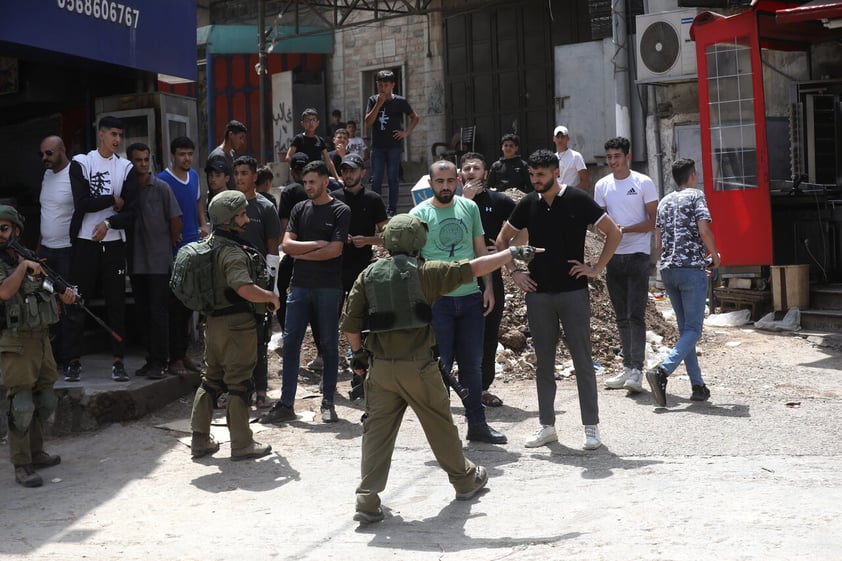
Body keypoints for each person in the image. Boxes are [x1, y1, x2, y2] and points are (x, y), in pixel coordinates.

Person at [340, 213, 541, 523]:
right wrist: (511, 253)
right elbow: (474, 267)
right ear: (416, 242)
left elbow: (351, 326)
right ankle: (464, 481)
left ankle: (367, 500)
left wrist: (359, 359)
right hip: (420, 368)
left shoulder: (367, 275)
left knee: (376, 434)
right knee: (441, 426)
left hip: (381, 370)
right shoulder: (426, 272)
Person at [495, 149, 622, 450]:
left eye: (541, 174)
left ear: (555, 172)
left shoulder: (578, 199)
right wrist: (514, 272)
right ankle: (546, 426)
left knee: (582, 360)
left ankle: (591, 428)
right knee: (544, 365)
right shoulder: (527, 204)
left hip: (574, 293)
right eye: (532, 175)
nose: (536, 180)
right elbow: (503, 241)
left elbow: (613, 233)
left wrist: (595, 268)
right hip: (538, 295)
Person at [409, 160, 507, 444]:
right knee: (440, 365)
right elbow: (414, 260)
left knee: (472, 365)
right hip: (437, 302)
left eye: (451, 181)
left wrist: (487, 287)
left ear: (458, 182)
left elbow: (480, 251)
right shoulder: (419, 214)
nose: (445, 187)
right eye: (440, 182)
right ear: (430, 184)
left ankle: (477, 424)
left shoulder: (470, 208)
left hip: (470, 299)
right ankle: (443, 431)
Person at [188, 191, 278, 461]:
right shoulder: (232, 253)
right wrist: (270, 298)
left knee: (210, 380)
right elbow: (243, 288)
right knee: (239, 383)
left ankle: (200, 439)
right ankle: (242, 444)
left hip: (213, 324)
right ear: (227, 220)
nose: (247, 219)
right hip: (237, 326)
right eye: (241, 214)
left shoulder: (208, 246)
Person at [261, 160, 350, 424]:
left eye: (313, 182)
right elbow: (287, 246)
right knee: (290, 343)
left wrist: (305, 251)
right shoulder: (300, 208)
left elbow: (336, 250)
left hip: (328, 287)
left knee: (329, 345)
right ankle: (286, 403)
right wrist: (317, 245)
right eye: (305, 182)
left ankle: (328, 402)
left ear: (326, 182)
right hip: (299, 286)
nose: (308, 186)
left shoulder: (340, 210)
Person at [0, 205, 76, 487]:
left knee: (43, 399)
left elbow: (51, 289)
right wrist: (22, 267)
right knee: (20, 403)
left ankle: (36, 452)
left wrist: (65, 296)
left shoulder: (31, 259)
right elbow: (5, 291)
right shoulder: (12, 264)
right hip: (15, 341)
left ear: (16, 231)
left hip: (41, 339)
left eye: (4, 228)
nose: (0, 234)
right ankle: (21, 464)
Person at [66, 115, 138, 382]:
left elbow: (131, 211)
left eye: (120, 135)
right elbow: (81, 203)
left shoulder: (126, 167)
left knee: (116, 302)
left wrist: (109, 222)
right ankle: (73, 360)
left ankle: (118, 360)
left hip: (114, 243)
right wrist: (112, 199)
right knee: (76, 300)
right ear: (101, 135)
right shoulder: (82, 163)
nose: (117, 140)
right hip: (85, 242)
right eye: (113, 134)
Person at [647, 158, 720, 407]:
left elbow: (658, 243)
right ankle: (662, 372)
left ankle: (698, 385)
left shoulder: (664, 201)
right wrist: (715, 255)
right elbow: (704, 230)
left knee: (686, 330)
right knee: (694, 330)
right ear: (693, 175)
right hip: (691, 270)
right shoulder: (696, 196)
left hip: (669, 271)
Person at [595, 137, 658, 393]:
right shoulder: (602, 185)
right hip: (613, 257)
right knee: (621, 317)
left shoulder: (643, 182)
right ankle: (627, 367)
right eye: (609, 157)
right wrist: (607, 233)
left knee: (635, 315)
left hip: (638, 255)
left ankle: (636, 370)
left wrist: (623, 231)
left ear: (627, 157)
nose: (612, 161)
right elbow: (598, 221)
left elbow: (653, 221)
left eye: (617, 156)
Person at [459, 152, 516, 408]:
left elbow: (526, 225)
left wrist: (506, 250)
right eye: (467, 168)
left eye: (476, 168)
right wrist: (464, 200)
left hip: (489, 276)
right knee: (456, 335)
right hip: (457, 276)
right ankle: (456, 385)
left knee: (489, 333)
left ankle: (481, 388)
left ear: (486, 173)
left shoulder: (499, 200)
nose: (471, 172)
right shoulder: (450, 201)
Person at [330, 153, 388, 391]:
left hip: (362, 272)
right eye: (344, 170)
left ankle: (362, 373)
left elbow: (387, 236)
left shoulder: (373, 199)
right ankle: (331, 375)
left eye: (352, 170)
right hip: (334, 271)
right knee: (331, 324)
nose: (347, 174)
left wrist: (368, 240)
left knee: (363, 324)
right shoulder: (333, 198)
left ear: (362, 172)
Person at [126, 143, 182, 379]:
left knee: (159, 314)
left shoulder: (161, 188)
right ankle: (151, 360)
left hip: (159, 263)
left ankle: (161, 361)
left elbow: (175, 220)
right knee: (142, 314)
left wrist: (165, 247)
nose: (142, 164)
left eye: (145, 160)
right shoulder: (127, 190)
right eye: (138, 160)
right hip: (136, 262)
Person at [233, 156, 282, 409]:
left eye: (245, 173)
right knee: (235, 339)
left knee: (260, 338)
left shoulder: (265, 207)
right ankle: (237, 391)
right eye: (237, 173)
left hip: (259, 281)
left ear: (255, 177)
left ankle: (261, 389)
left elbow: (273, 249)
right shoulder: (228, 205)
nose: (240, 177)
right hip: (233, 282)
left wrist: (271, 287)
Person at [158, 137, 208, 377]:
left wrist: (203, 224)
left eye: (189, 153)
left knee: (189, 306)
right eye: (181, 154)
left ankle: (183, 353)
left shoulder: (195, 177)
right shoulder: (162, 181)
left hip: (193, 250)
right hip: (172, 254)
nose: (186, 158)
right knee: (174, 307)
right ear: (172, 156)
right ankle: (173, 358)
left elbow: (198, 203)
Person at [37, 135, 74, 374]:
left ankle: (69, 358)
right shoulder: (47, 175)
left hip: (68, 251)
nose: (44, 158)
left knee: (68, 303)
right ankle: (51, 358)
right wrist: (37, 250)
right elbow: (45, 212)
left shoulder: (75, 175)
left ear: (62, 150)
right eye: (41, 154)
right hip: (47, 251)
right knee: (47, 302)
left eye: (49, 153)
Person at [364, 70, 420, 216]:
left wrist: (406, 132)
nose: (382, 88)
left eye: (386, 85)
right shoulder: (372, 100)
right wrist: (378, 104)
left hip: (394, 146)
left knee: (392, 177)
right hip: (377, 146)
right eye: (379, 85)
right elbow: (368, 122)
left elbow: (414, 117)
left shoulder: (400, 101)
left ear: (393, 85)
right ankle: (376, 208)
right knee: (376, 178)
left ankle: (392, 209)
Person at [285, 108, 340, 180]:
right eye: (307, 120)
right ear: (302, 123)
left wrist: (337, 178)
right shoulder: (298, 139)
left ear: (317, 123)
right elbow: (288, 157)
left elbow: (328, 160)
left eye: (313, 120)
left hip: (317, 176)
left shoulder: (320, 140)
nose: (311, 123)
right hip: (303, 178)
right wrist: (297, 171)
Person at [208, 120, 247, 191]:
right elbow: (216, 186)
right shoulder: (218, 156)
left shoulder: (233, 153)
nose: (242, 142)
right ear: (231, 135)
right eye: (240, 137)